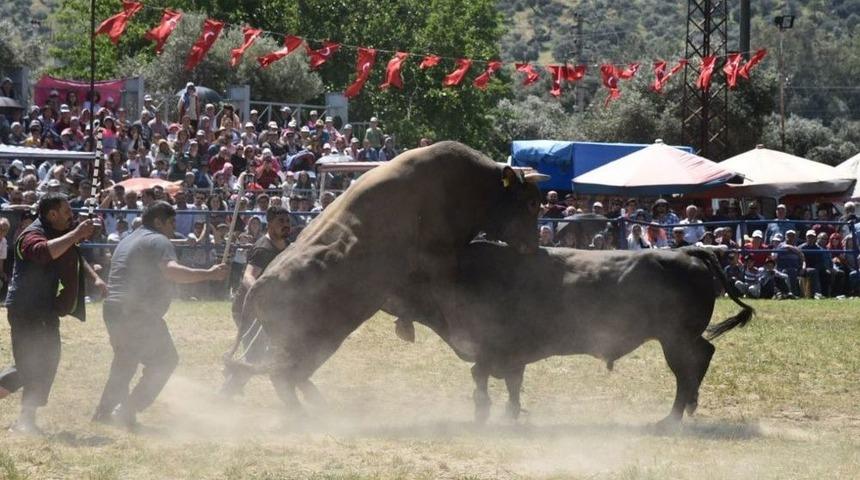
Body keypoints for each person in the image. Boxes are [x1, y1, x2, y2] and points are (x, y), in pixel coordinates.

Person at [93, 201, 227, 430]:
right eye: (171, 222)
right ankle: (126, 410)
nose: (173, 227)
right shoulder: (158, 240)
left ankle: (104, 413)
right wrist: (209, 274)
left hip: (114, 308)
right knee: (165, 361)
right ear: (158, 221)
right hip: (137, 312)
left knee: (124, 362)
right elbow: (171, 271)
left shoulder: (128, 239)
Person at [0, 193, 105, 434]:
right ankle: (25, 421)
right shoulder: (30, 235)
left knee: (46, 362)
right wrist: (77, 233)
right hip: (27, 309)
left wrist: (95, 276)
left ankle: (26, 419)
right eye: (67, 212)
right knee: (28, 366)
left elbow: (72, 253)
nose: (71, 215)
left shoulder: (58, 233)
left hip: (43, 309)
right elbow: (42, 252)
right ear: (52, 214)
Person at [220, 206, 292, 397]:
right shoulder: (263, 248)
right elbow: (248, 276)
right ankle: (224, 394)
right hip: (249, 310)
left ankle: (291, 403)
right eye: (280, 222)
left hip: (270, 312)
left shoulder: (287, 245)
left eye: (287, 221)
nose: (285, 225)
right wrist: (260, 296)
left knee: (277, 354)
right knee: (255, 356)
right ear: (270, 225)